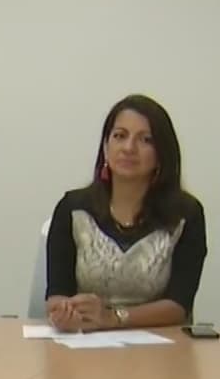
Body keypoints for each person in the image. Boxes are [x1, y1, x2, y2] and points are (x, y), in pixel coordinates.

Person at [45, 94, 207, 331]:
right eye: (120, 136)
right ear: (106, 146)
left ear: (162, 153)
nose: (129, 148)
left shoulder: (186, 214)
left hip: (162, 345)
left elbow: (179, 305)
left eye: (145, 140)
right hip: (84, 341)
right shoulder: (72, 208)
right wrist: (65, 313)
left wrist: (113, 318)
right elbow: (56, 294)